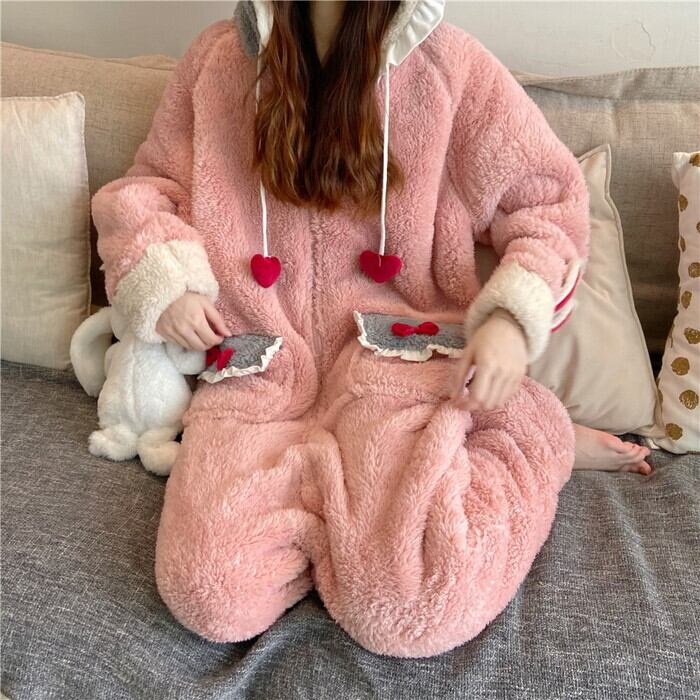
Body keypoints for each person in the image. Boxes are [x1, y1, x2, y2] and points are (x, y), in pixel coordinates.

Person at [92, 0, 652, 658]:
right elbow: (148, 188)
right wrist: (167, 282)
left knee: (412, 609)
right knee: (209, 595)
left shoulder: (449, 67)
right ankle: (330, 527)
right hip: (258, 370)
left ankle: (536, 435)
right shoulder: (216, 63)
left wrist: (508, 319)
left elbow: (548, 202)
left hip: (398, 362)